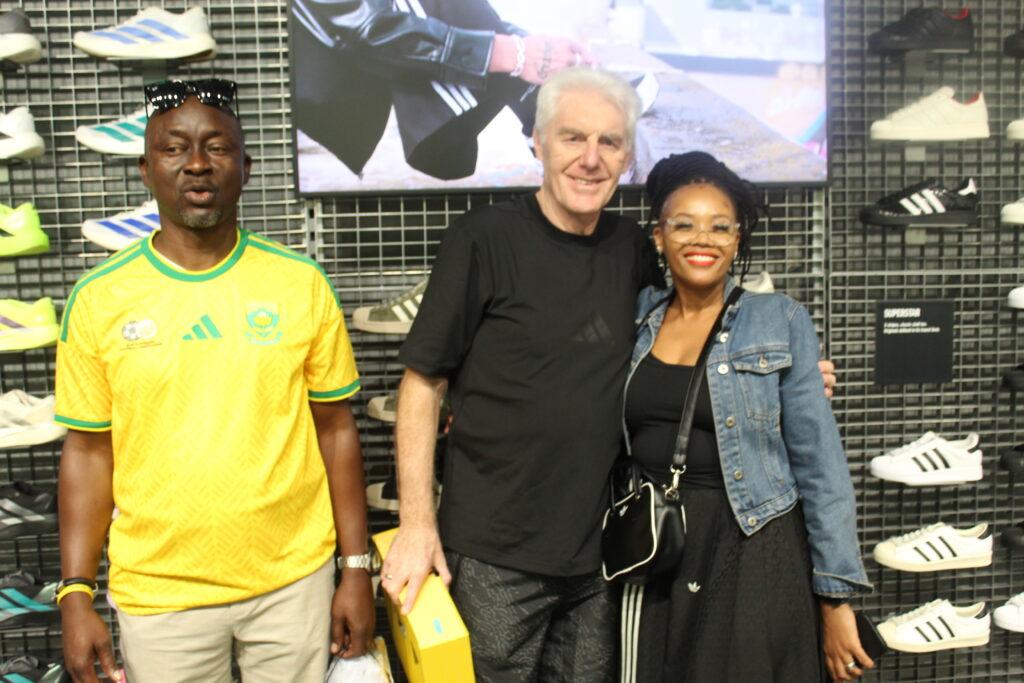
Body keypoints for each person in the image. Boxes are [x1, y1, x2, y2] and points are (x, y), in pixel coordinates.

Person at [380, 67, 837, 681]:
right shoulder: (482, 239)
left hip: (605, 558)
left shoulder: (633, 250)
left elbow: (684, 341)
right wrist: (416, 524)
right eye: (573, 137)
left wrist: (778, 378)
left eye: (610, 142)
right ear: (538, 142)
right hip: (494, 553)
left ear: (627, 157)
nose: (590, 158)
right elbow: (422, 385)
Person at [54, 79, 374, 683]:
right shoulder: (98, 299)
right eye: (174, 148)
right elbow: (89, 451)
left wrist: (355, 568)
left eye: (217, 147)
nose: (197, 163)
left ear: (245, 169)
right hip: (161, 593)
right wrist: (75, 592)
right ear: (146, 170)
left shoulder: (300, 283)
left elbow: (335, 430)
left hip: (293, 582)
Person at [618, 151, 872, 683]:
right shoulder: (637, 315)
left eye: (720, 226)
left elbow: (821, 468)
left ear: (737, 240)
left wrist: (836, 600)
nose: (702, 239)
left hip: (750, 541)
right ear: (659, 237)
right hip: (657, 542)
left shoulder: (777, 320)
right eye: (683, 224)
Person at [292, 0, 592, 181]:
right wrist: (517, 54)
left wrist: (531, 50)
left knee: (530, 74)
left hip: (357, 84)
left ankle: (541, 100)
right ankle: (538, 103)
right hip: (333, 94)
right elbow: (365, 26)